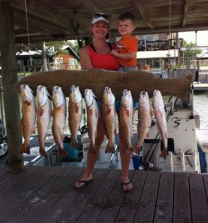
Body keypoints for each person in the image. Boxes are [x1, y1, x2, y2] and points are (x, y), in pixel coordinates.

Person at [73, 13, 133, 192]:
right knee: (96, 138)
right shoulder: (85, 51)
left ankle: (124, 176)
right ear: (91, 28)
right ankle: (88, 174)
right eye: (97, 26)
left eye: (104, 26)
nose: (100, 29)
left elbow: (129, 65)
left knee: (125, 137)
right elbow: (91, 77)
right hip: (99, 101)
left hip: (122, 99)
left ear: (108, 30)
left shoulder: (117, 47)